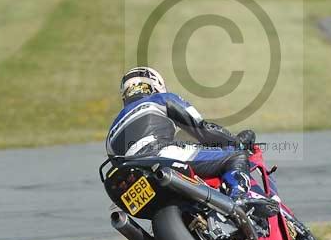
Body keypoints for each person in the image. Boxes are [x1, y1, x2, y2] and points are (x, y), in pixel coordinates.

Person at [106, 66, 278, 218]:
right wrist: (236, 142)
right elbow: (204, 129)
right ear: (156, 85)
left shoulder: (111, 131)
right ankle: (240, 196)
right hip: (159, 155)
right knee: (235, 157)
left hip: (126, 178)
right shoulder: (160, 99)